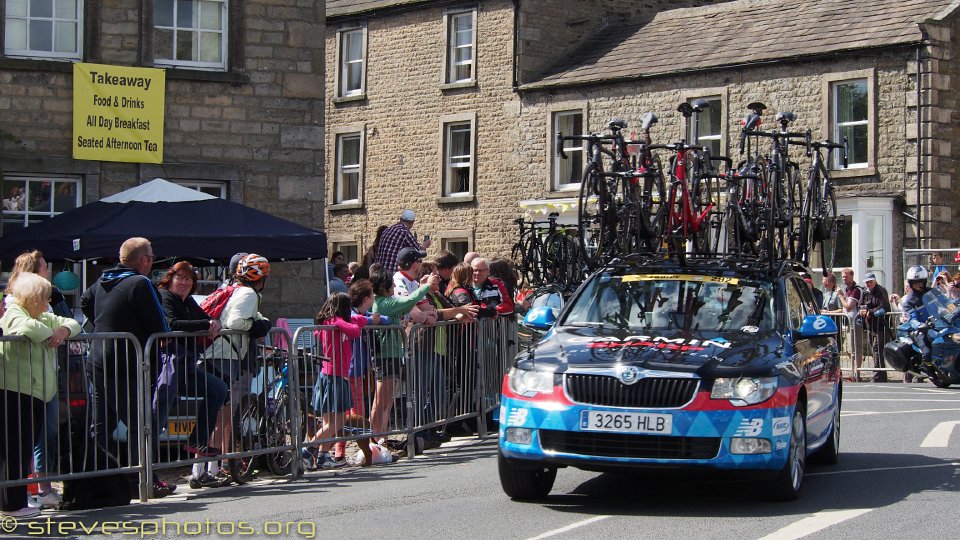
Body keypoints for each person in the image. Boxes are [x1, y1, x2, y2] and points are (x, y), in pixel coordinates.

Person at [80, 237, 175, 498]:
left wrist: (107, 324)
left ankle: (95, 479)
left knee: (101, 424)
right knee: (140, 423)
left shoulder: (102, 280)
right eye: (152, 257)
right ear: (144, 260)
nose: (152, 261)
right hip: (127, 362)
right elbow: (160, 326)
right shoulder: (140, 283)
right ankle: (141, 479)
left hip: (98, 359)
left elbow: (84, 302)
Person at [1, 273, 81, 518]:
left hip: (36, 393)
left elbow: (74, 323)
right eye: (44, 298)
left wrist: (64, 330)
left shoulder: (42, 315)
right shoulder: (15, 312)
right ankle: (12, 505)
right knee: (13, 451)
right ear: (33, 297)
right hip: (16, 391)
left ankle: (15, 501)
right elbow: (26, 327)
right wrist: (52, 333)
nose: (48, 303)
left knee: (23, 451)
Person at [156, 262, 230, 488]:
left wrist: (213, 323)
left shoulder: (187, 301)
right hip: (165, 366)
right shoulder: (164, 296)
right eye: (181, 278)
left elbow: (206, 318)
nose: (185, 283)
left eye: (189, 280)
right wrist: (206, 324)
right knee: (157, 417)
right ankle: (144, 472)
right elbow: (172, 323)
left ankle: (197, 441)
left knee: (218, 388)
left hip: (185, 366)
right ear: (170, 278)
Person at [202, 254, 272, 482]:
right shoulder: (249, 293)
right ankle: (208, 470)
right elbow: (235, 323)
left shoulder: (237, 290)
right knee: (220, 416)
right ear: (260, 278)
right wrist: (257, 325)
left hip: (219, 354)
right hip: (226, 356)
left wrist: (260, 320)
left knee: (218, 415)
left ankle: (207, 469)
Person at [302, 293, 368, 469]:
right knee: (337, 422)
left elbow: (360, 320)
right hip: (334, 376)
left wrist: (356, 320)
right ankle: (307, 451)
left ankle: (323, 456)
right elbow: (355, 330)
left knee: (328, 422)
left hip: (334, 375)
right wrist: (354, 322)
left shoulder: (337, 322)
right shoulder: (334, 322)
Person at [369, 268, 438, 435]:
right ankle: (373, 437)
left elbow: (408, 307)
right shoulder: (383, 303)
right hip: (385, 355)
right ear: (384, 287)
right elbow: (406, 302)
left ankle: (381, 436)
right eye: (391, 284)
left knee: (388, 400)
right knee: (381, 400)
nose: (394, 285)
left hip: (392, 354)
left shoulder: (386, 301)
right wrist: (426, 287)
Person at [859, 272, 891, 383]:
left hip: (880, 326)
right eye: (867, 282)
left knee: (877, 350)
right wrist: (862, 311)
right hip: (869, 326)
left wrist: (870, 312)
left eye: (870, 281)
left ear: (875, 281)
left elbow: (883, 309)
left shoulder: (881, 291)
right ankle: (882, 376)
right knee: (874, 350)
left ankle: (877, 376)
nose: (868, 284)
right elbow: (861, 305)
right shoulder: (864, 292)